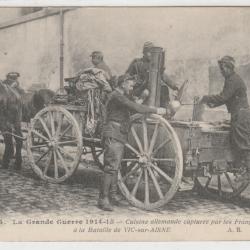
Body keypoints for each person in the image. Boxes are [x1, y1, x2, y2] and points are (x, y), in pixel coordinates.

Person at [98, 74, 166, 211]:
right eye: (130, 84)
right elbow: (135, 107)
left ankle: (112, 196)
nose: (132, 86)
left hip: (119, 133)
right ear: (122, 83)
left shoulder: (121, 95)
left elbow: (134, 104)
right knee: (110, 167)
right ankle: (103, 199)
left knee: (115, 167)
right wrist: (156, 110)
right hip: (114, 132)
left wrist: (143, 98)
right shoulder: (116, 96)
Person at [201, 55, 250, 182]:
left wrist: (206, 98)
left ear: (228, 68)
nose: (221, 72)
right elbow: (226, 98)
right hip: (239, 114)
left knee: (242, 143)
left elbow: (223, 97)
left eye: (222, 69)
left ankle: (247, 172)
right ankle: (242, 170)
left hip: (241, 116)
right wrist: (213, 104)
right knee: (238, 141)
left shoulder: (233, 80)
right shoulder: (231, 79)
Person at [126, 41, 179, 106]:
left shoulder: (154, 64)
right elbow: (127, 76)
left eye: (152, 52)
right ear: (144, 52)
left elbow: (163, 76)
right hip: (139, 89)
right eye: (149, 52)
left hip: (152, 88)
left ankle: (165, 109)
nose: (151, 54)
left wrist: (174, 86)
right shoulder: (137, 63)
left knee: (164, 88)